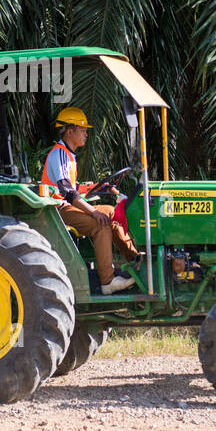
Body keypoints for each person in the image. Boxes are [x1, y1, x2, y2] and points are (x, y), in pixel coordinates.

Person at [39, 107, 141, 294]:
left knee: (111, 211)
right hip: (57, 210)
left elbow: (74, 187)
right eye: (83, 129)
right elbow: (67, 192)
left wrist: (100, 187)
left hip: (66, 206)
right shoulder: (59, 154)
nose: (86, 133)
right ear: (70, 131)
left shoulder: (69, 155)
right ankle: (107, 281)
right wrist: (93, 211)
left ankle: (135, 261)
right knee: (99, 223)